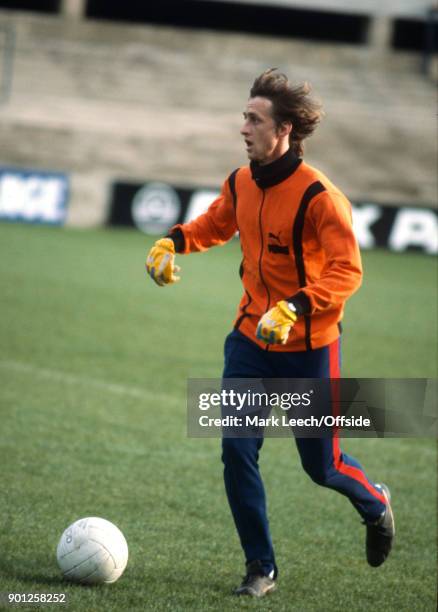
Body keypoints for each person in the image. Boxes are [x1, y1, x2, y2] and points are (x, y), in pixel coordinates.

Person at [145, 69, 395, 598]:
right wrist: (171, 242)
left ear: (283, 130)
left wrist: (296, 308)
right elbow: (215, 223)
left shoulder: (320, 196)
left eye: (254, 120)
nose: (244, 127)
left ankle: (376, 504)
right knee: (236, 449)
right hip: (249, 343)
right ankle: (261, 568)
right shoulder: (240, 181)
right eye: (244, 117)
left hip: (308, 350)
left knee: (322, 467)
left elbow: (347, 271)